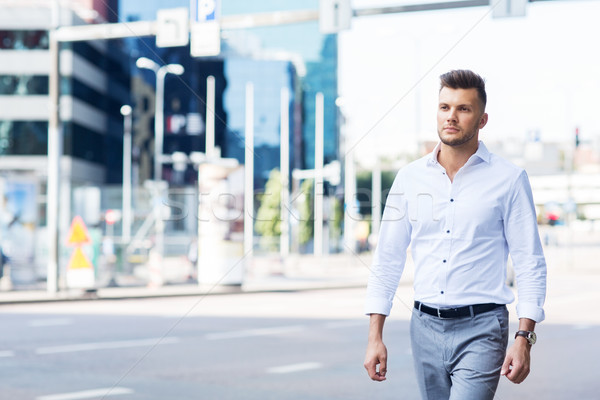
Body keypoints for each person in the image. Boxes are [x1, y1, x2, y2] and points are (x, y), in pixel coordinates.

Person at [363, 69, 546, 400]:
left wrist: (524, 337)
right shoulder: (409, 178)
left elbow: (529, 261)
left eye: (463, 109)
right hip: (424, 326)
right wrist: (375, 335)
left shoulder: (509, 179)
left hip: (483, 327)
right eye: (445, 107)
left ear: (482, 119)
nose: (452, 117)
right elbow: (388, 257)